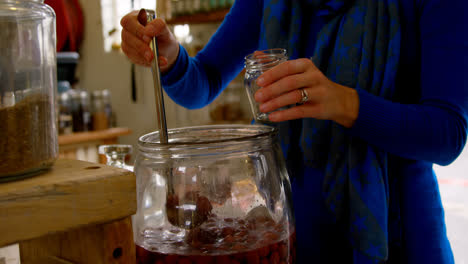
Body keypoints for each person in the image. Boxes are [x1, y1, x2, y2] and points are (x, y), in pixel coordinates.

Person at [120, 0, 467, 263]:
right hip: (287, 237)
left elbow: (447, 133)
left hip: (400, 239)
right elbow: (205, 81)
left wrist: (342, 102)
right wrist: (169, 56)